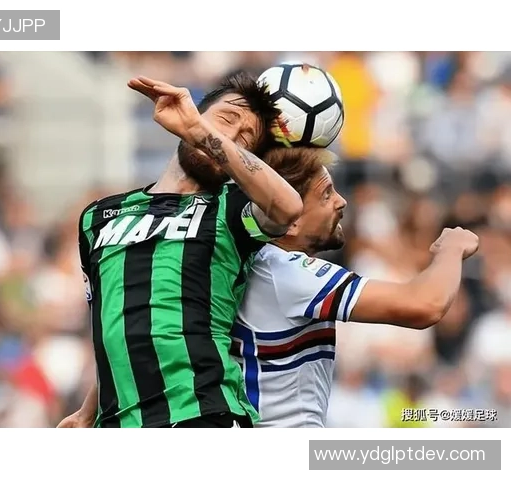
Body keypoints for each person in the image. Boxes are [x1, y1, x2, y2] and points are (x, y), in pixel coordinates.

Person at [59, 72, 303, 428]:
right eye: (226, 119)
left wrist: (201, 132)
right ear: (197, 112)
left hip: (202, 413)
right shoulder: (97, 217)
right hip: (118, 423)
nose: (229, 136)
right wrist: (87, 411)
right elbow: (117, 327)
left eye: (244, 139)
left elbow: (288, 208)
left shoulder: (234, 208)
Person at [229, 147, 480, 428]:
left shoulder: (260, 263)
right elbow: (426, 305)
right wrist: (452, 248)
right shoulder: (285, 273)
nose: (341, 201)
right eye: (326, 194)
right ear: (290, 219)